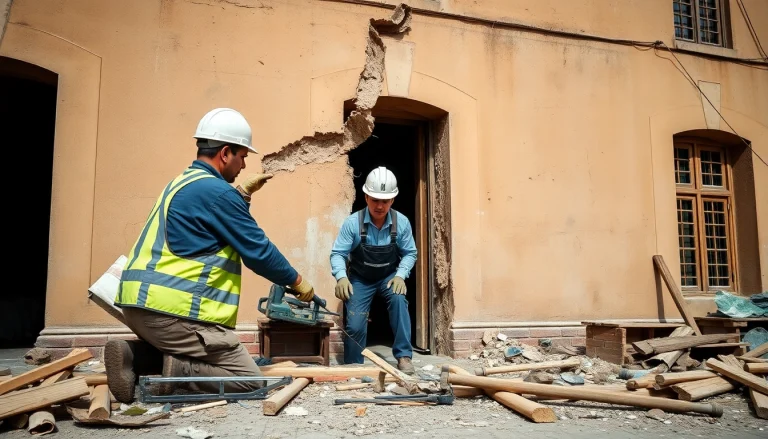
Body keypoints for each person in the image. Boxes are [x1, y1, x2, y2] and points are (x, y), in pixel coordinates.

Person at [105, 107, 315, 402]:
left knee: (222, 365)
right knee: (251, 381)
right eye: (243, 156)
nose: (243, 165)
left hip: (137, 308)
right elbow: (259, 252)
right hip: (174, 316)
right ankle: (179, 373)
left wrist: (240, 194)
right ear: (226, 153)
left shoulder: (182, 183)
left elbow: (204, 228)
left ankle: (136, 358)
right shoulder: (218, 193)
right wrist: (298, 282)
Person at [330, 166, 418, 373]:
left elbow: (410, 253)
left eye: (385, 201)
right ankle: (353, 365)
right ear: (366, 197)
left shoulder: (401, 223)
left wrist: (400, 275)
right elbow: (338, 253)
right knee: (355, 324)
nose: (380, 206)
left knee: (399, 300)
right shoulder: (353, 223)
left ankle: (404, 357)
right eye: (375, 200)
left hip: (389, 277)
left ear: (392, 200)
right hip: (360, 278)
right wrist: (341, 277)